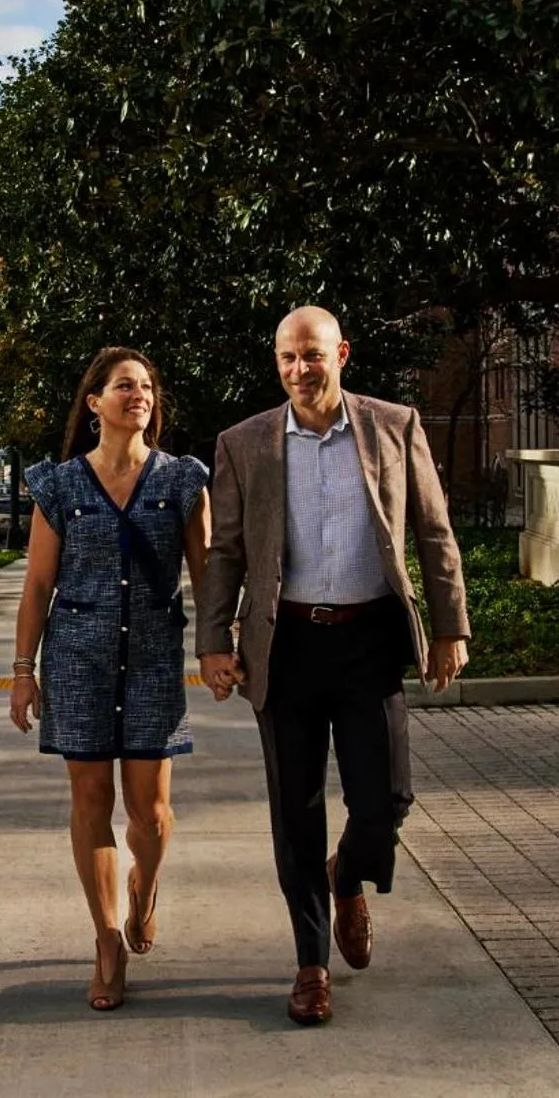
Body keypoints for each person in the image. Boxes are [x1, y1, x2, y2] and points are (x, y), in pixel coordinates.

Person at [196, 306, 471, 1026]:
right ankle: (311, 963)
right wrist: (214, 641)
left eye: (311, 355)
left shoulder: (393, 425)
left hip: (369, 639)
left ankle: (346, 875)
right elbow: (224, 551)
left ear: (341, 353)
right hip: (285, 647)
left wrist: (450, 627)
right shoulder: (244, 443)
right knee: (296, 810)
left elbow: (435, 532)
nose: (299, 370)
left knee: (387, 800)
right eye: (287, 357)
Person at [9, 348, 211, 1011]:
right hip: (77, 661)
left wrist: (219, 646)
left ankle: (144, 886)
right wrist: (21, 671)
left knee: (150, 813)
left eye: (147, 385)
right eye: (125, 385)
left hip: (154, 660)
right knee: (91, 803)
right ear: (93, 402)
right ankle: (105, 941)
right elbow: (38, 583)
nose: (140, 394)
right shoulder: (61, 486)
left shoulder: (182, 480)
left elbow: (208, 577)